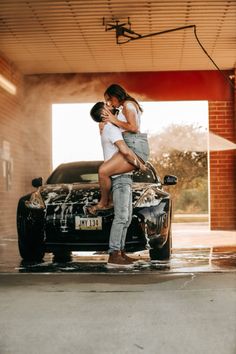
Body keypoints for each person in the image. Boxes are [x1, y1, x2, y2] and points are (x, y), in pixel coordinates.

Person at [89, 102, 142, 268]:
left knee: (125, 218)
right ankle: (114, 254)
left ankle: (121, 252)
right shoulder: (111, 129)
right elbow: (125, 151)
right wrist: (139, 164)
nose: (110, 106)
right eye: (106, 106)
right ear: (104, 114)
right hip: (119, 178)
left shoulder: (109, 127)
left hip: (124, 178)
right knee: (121, 217)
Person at [89, 84, 150, 214]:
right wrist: (105, 122)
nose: (109, 103)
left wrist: (113, 120)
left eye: (110, 99)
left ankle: (104, 203)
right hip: (131, 143)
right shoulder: (124, 107)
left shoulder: (128, 105)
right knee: (104, 171)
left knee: (103, 171)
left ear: (116, 95)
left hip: (134, 144)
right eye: (107, 102)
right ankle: (107, 201)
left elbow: (134, 128)